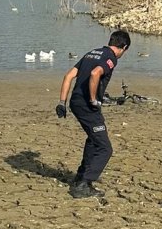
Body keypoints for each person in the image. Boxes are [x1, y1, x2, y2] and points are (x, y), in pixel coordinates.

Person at [55, 30, 130, 199]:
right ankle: (83, 184)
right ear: (124, 47)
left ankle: (80, 176)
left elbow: (68, 76)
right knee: (105, 148)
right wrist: (93, 99)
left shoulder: (91, 53)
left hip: (75, 102)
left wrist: (62, 102)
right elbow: (96, 73)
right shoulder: (110, 58)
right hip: (87, 105)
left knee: (93, 139)